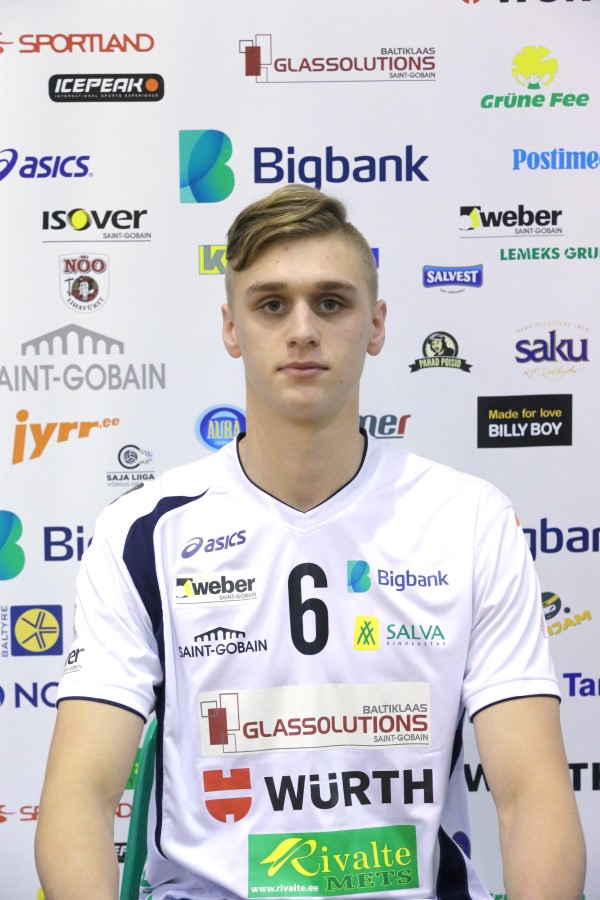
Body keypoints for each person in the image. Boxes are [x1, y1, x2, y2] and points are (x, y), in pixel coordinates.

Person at [35, 185, 585, 900]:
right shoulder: (144, 531)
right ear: (231, 329)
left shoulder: (469, 520)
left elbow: (529, 793)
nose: (302, 330)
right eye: (271, 305)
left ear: (375, 325)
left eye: (331, 302)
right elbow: (80, 793)